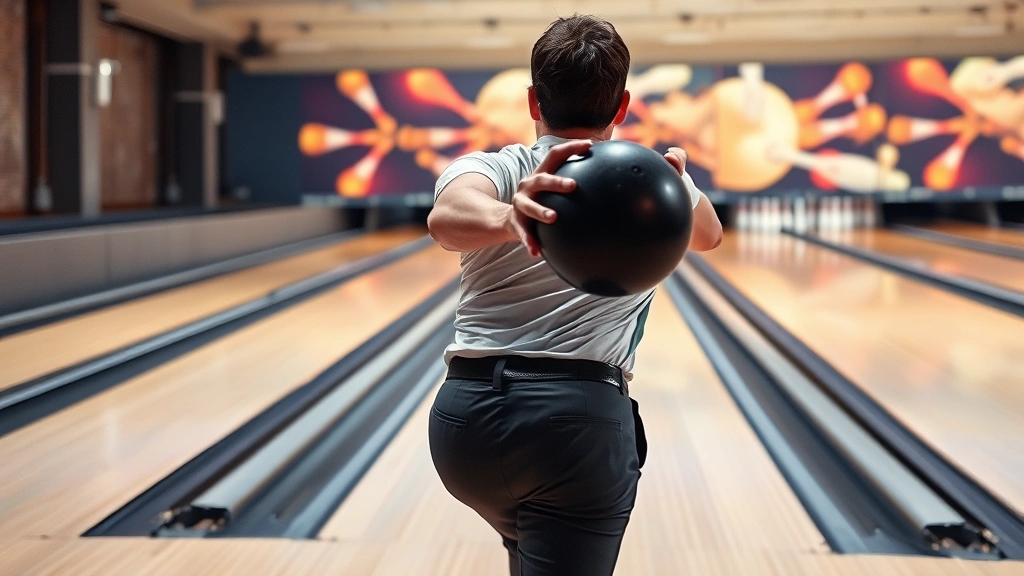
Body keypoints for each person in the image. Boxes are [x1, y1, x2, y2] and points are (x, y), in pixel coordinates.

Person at [426, 14, 723, 576]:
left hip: (464, 425)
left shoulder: (497, 166)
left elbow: (446, 217)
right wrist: (677, 183)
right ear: (624, 104)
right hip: (575, 430)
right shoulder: (648, 179)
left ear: (534, 101)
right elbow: (709, 235)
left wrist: (508, 212)